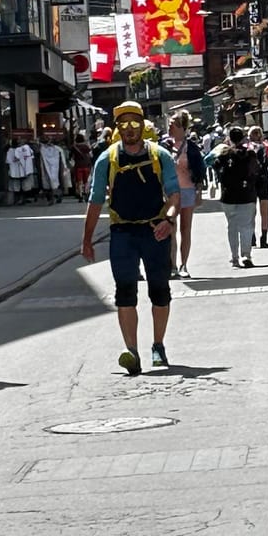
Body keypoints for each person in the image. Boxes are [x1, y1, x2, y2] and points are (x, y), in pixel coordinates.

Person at [81, 102, 179, 372]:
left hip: (154, 232)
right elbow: (96, 200)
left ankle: (158, 345)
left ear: (142, 125)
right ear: (117, 128)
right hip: (122, 231)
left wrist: (168, 219)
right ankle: (131, 351)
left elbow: (174, 195)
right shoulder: (107, 159)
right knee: (125, 291)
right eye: (123, 124)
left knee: (159, 290)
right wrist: (86, 239)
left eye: (134, 123)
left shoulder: (160, 156)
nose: (129, 129)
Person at [214, 126, 265, 267]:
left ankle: (234, 256)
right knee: (247, 226)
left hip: (228, 195)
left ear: (229, 138)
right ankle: (246, 254)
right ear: (243, 137)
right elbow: (257, 171)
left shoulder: (224, 154)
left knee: (232, 226)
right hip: (247, 194)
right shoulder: (250, 154)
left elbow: (215, 167)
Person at [167, 109, 207, 275]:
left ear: (182, 128)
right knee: (170, 229)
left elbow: (199, 169)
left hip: (188, 190)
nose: (170, 127)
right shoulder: (164, 146)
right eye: (169, 124)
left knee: (185, 229)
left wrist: (199, 191)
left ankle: (184, 265)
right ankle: (172, 266)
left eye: (173, 125)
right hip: (170, 193)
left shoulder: (191, 147)